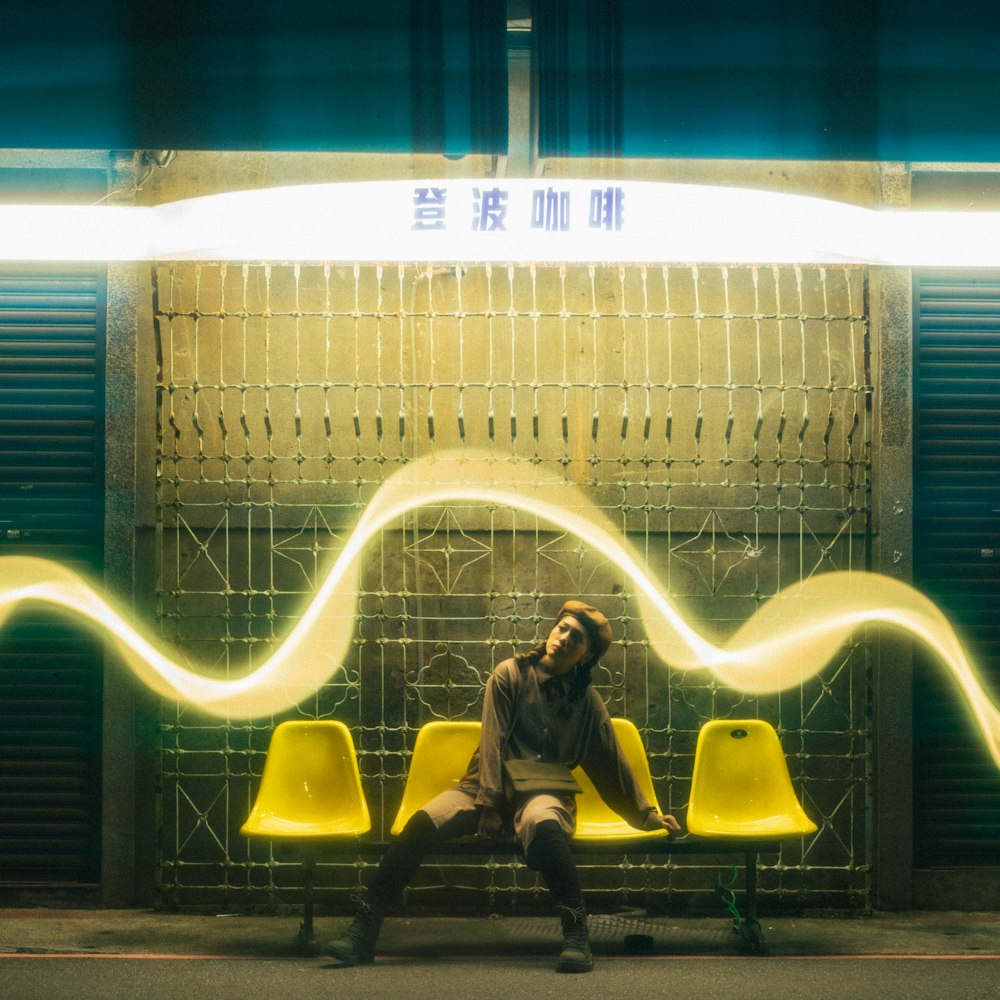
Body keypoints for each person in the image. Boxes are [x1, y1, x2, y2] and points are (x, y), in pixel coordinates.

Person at [327, 600, 681, 973]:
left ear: (586, 656)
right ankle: (363, 930)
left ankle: (576, 934)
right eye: (561, 628)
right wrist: (491, 804)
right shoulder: (509, 674)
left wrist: (646, 814)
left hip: (543, 792)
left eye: (576, 639)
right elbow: (492, 741)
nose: (563, 638)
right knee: (422, 822)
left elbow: (611, 761)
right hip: (483, 786)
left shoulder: (587, 702)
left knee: (543, 825)